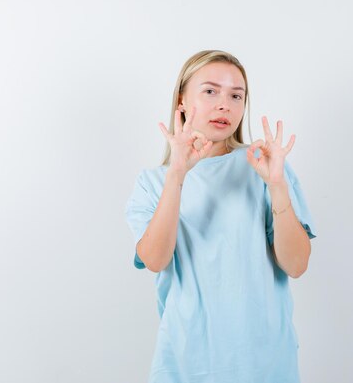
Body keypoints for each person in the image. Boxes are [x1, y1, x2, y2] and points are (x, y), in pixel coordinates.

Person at [123, 50, 318, 382]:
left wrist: (276, 185)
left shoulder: (265, 167)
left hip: (264, 362)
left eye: (236, 95)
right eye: (210, 91)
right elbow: (155, 259)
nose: (224, 104)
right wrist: (178, 175)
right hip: (185, 363)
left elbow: (297, 264)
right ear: (182, 99)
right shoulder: (153, 182)